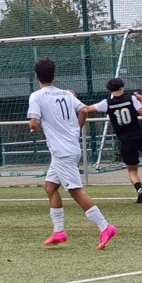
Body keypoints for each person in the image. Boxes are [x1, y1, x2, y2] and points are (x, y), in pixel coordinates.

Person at [28, 57, 117, 250]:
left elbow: (34, 123)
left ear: (36, 77)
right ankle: (59, 231)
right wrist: (76, 129)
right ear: (54, 75)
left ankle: (105, 226)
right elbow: (83, 110)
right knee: (50, 187)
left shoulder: (36, 96)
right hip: (68, 148)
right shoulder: (66, 94)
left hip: (62, 152)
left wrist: (33, 126)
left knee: (75, 191)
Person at [79, 78, 142, 203]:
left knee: (132, 171)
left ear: (109, 90)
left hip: (126, 141)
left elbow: (87, 109)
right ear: (122, 87)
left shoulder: (106, 103)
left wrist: (74, 100)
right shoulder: (132, 99)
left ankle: (139, 190)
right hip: (140, 136)